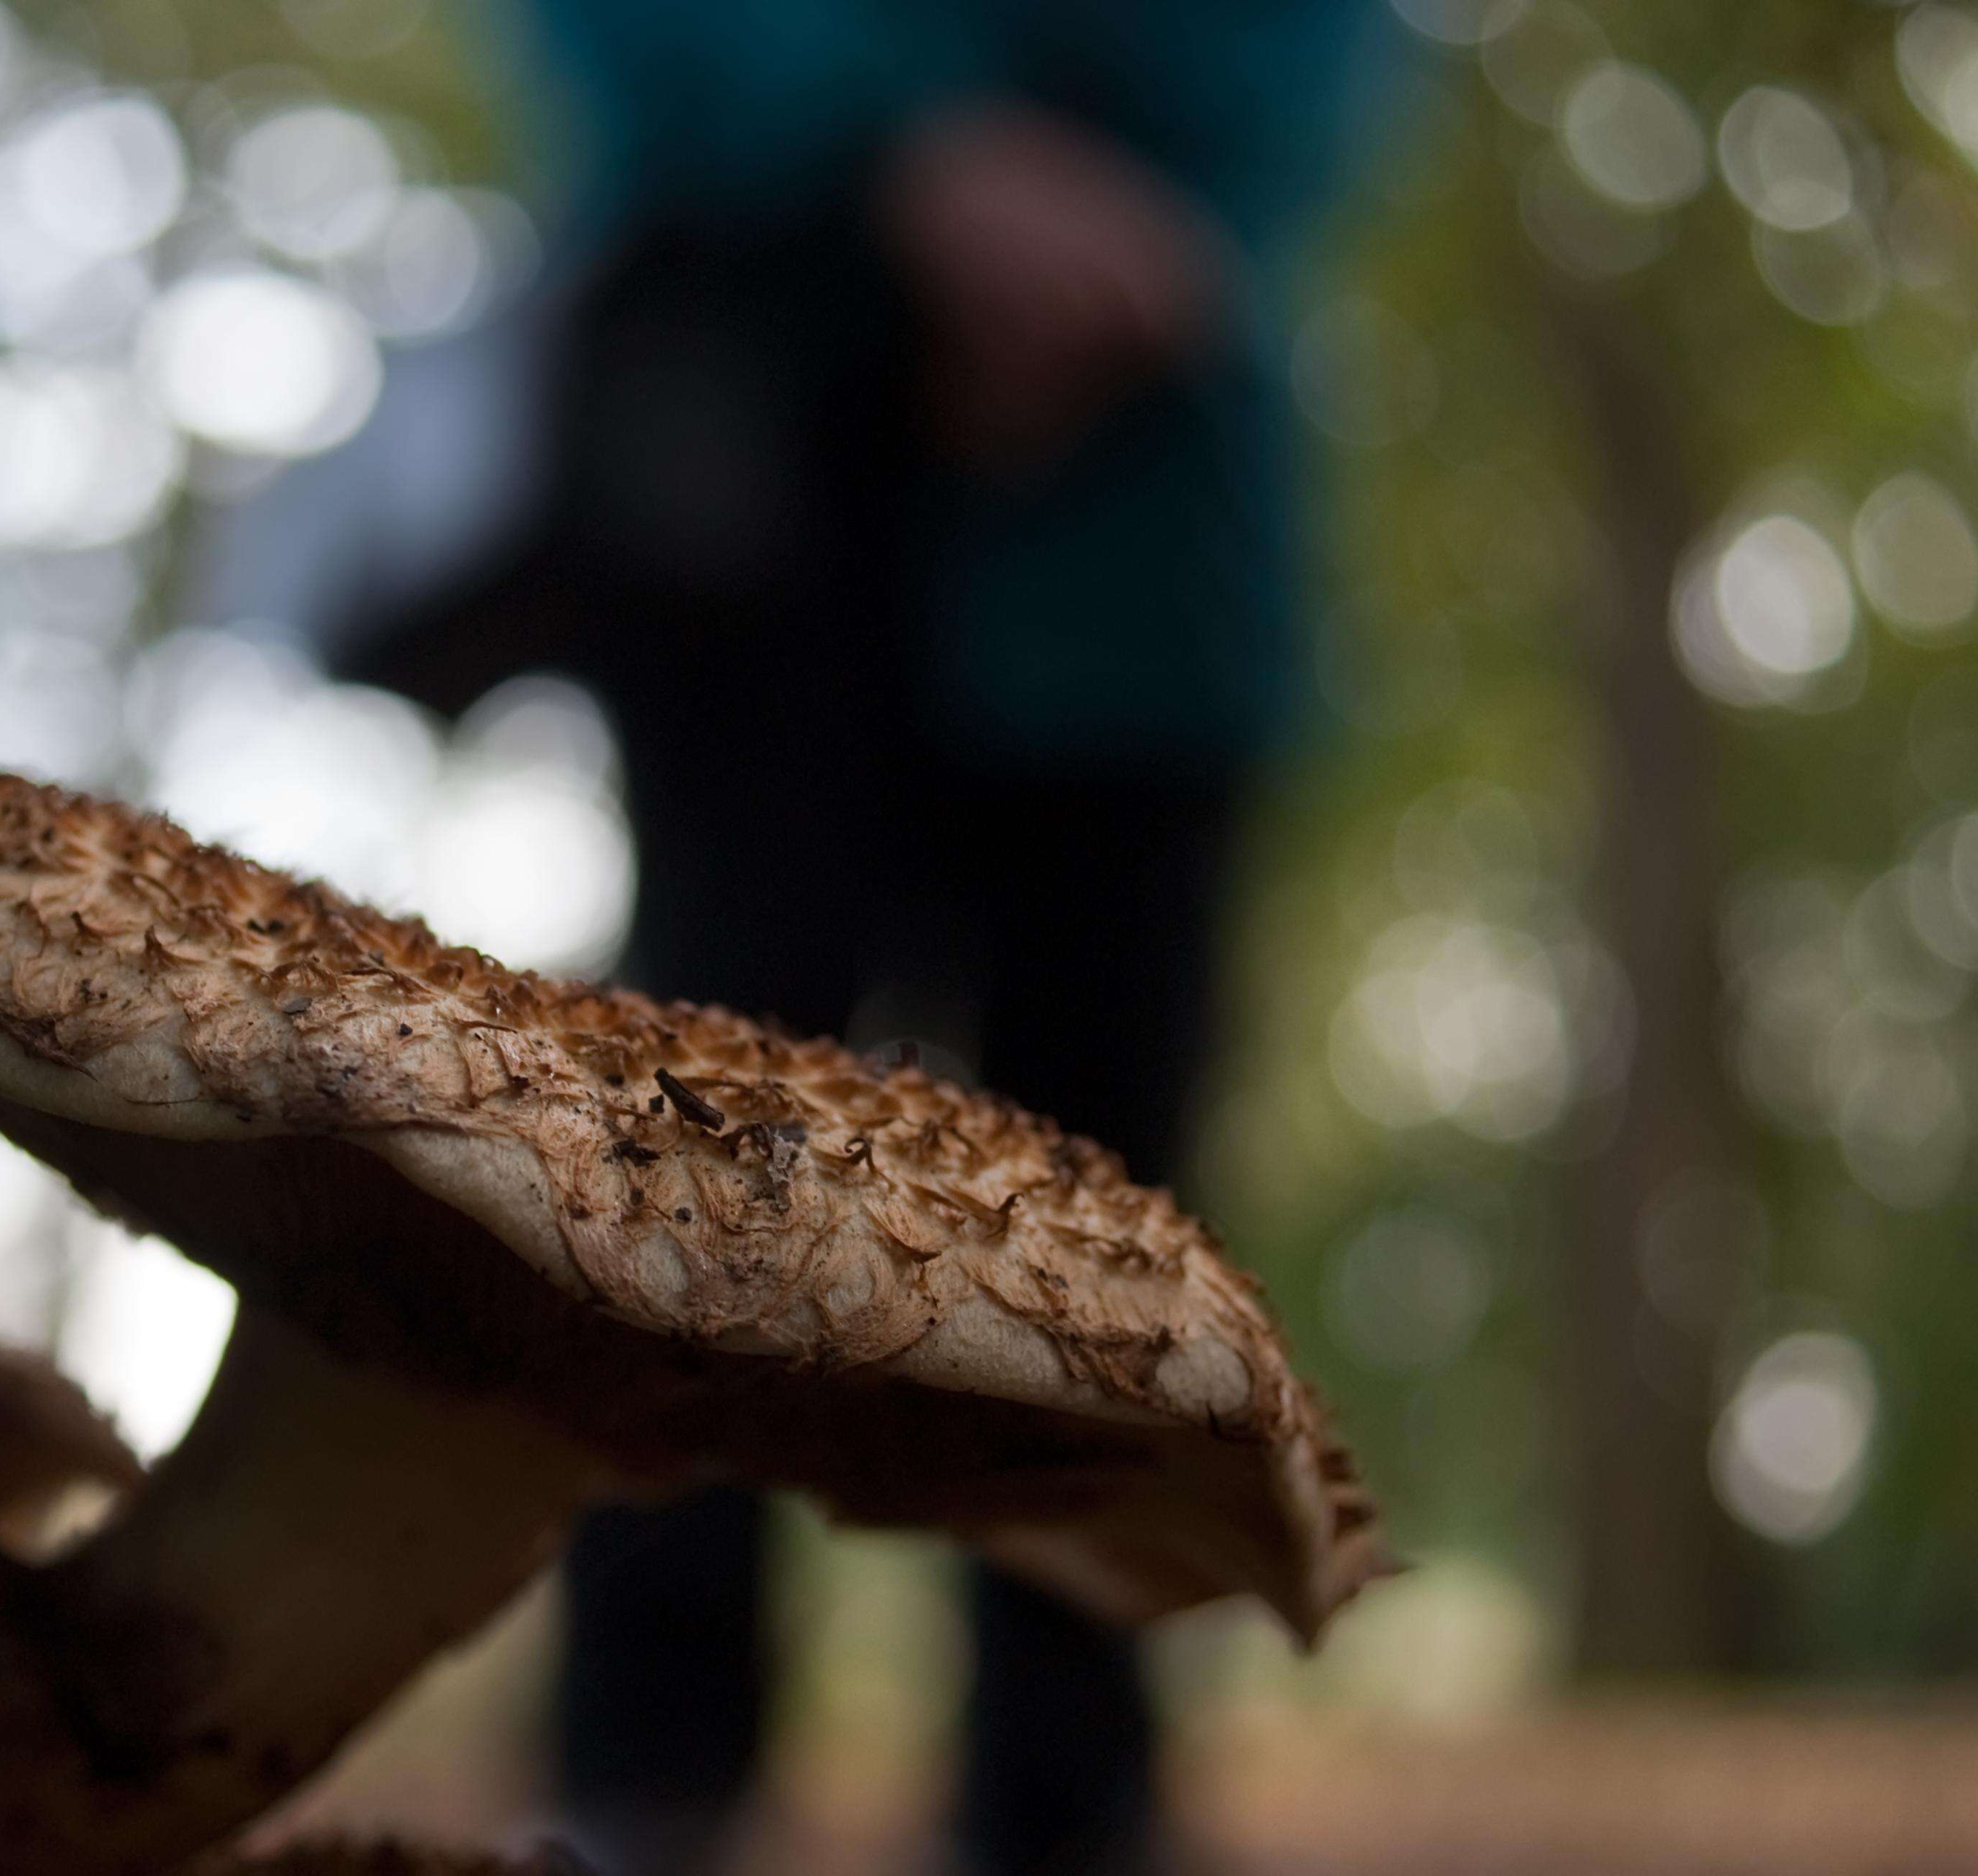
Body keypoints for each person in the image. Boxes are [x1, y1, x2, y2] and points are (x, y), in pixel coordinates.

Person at [318, 6, 1392, 1869]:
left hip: (1151, 559)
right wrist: (895, 152)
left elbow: (1316, 68)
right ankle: (640, 1781)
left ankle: (1072, 1806)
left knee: (1120, 1228)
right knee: (686, 1169)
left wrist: (1144, 240)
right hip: (750, 518)